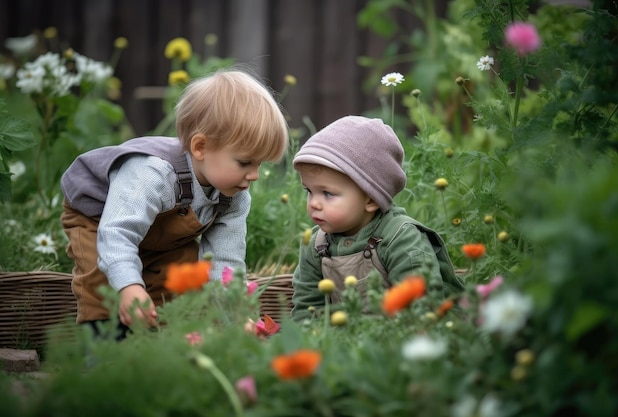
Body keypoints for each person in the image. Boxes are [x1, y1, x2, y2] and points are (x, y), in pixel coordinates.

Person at [60, 68, 289, 338]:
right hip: (99, 220)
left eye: (260, 164)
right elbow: (117, 233)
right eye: (245, 163)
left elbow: (225, 264)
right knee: (102, 283)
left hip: (157, 237)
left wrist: (237, 317)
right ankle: (103, 350)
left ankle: (163, 342)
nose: (255, 175)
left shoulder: (234, 197)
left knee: (183, 273)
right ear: (200, 147)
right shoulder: (153, 174)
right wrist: (130, 286)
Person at [290, 115, 464, 321]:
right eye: (309, 191)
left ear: (371, 199)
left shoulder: (401, 239)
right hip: (345, 344)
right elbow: (306, 309)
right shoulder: (316, 245)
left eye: (327, 193)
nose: (313, 203)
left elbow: (421, 311)